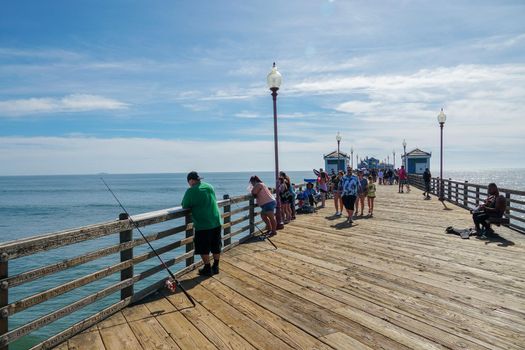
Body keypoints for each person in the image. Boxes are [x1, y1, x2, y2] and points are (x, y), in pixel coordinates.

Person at [181, 171, 223, 276]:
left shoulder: (191, 191)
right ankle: (216, 266)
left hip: (203, 223)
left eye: (188, 182)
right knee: (216, 244)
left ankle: (207, 268)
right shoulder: (209, 186)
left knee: (203, 247)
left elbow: (184, 205)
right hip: (216, 220)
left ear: (191, 180)